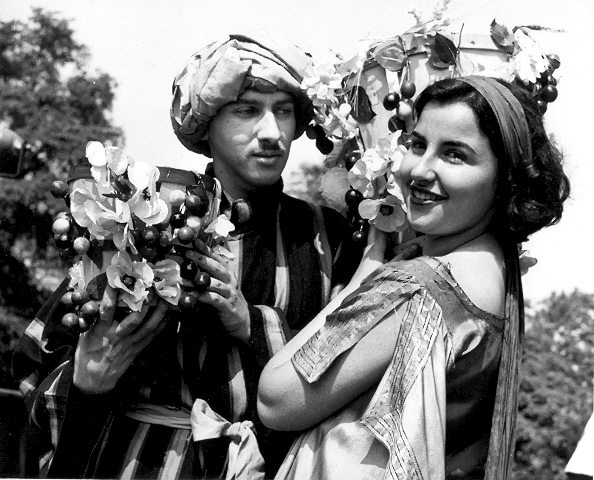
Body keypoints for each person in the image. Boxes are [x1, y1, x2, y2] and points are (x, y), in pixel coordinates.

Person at [12, 33, 359, 479]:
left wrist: (251, 323)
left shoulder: (324, 237)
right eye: (247, 109)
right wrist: (86, 383)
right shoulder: (142, 222)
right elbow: (38, 362)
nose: (273, 133)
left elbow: (351, 366)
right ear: (205, 126)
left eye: (285, 111)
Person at [257, 76, 570, 479]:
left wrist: (362, 280)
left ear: (506, 179)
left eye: (455, 155)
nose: (420, 170)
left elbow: (276, 401)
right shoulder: (496, 272)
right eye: (419, 145)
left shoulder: (424, 286)